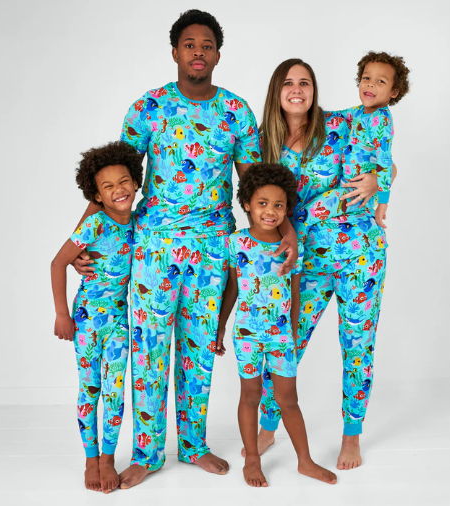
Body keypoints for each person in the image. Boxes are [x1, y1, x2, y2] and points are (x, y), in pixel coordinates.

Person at [72, 10, 298, 488]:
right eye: (190, 44)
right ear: (175, 51)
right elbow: (114, 176)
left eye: (208, 45)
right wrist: (78, 241)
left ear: (218, 54)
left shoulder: (236, 112)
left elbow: (257, 183)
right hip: (154, 247)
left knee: (199, 348)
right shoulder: (148, 108)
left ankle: (193, 443)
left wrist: (290, 230)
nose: (199, 51)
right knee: (151, 352)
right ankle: (148, 452)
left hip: (213, 248)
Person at [245, 58, 387, 470]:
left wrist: (381, 178)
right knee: (285, 342)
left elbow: (384, 153)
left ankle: (351, 436)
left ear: (314, 90)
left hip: (361, 256)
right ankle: (269, 426)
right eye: (288, 83)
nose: (297, 89)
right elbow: (261, 203)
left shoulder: (343, 124)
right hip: (304, 260)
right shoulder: (261, 144)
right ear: (277, 91)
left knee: (357, 346)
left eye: (304, 82)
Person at [216, 163, 337, 486]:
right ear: (246, 205)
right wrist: (221, 326)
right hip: (247, 335)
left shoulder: (291, 249)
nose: (270, 211)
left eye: (279, 205)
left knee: (288, 400)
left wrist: (294, 332)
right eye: (262, 203)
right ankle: (252, 460)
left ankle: (305, 461)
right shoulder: (236, 243)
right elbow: (231, 288)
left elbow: (296, 292)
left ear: (287, 210)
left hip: (281, 336)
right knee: (250, 396)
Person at [50, 141, 143, 493]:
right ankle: (90, 458)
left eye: (124, 181)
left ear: (136, 182)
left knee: (116, 392)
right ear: (97, 197)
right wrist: (62, 314)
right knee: (90, 390)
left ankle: (108, 457)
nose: (118, 190)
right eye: (107, 187)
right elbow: (58, 262)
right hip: (88, 321)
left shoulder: (140, 223)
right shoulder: (93, 226)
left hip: (120, 322)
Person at [303, 51, 410, 230]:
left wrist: (383, 203)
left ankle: (293, 258)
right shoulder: (360, 112)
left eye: (380, 81)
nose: (370, 84)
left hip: (355, 193)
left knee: (303, 217)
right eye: (366, 77)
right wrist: (304, 110)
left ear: (394, 92)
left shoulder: (380, 120)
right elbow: (333, 116)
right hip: (346, 187)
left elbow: (385, 160)